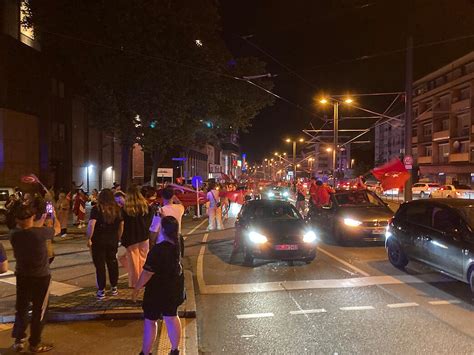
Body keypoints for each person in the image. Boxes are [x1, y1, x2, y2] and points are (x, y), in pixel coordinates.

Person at [9, 201, 60, 353]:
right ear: (32, 217)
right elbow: (56, 229)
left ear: (17, 220)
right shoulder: (41, 233)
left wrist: (43, 217)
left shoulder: (14, 235)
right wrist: (54, 215)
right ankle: (35, 343)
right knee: (39, 311)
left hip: (22, 276)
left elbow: (31, 227)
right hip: (41, 278)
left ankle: (19, 340)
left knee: (22, 308)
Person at [133, 216, 184, 355]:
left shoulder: (158, 250)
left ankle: (146, 352)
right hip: (174, 286)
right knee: (172, 316)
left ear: (163, 229)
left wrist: (137, 288)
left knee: (150, 321)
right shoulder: (179, 240)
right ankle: (175, 350)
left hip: (157, 290)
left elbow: (147, 273)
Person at [86, 189, 124, 300]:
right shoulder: (117, 209)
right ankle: (114, 287)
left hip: (99, 241)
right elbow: (121, 225)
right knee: (112, 263)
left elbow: (91, 224)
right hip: (112, 240)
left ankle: (101, 290)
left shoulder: (96, 209)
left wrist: (89, 238)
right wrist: (119, 238)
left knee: (100, 265)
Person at [121, 186, 150, 288]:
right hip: (144, 235)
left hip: (131, 236)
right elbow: (149, 221)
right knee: (143, 259)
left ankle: (135, 282)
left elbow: (123, 224)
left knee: (133, 261)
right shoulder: (145, 206)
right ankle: (143, 281)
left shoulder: (125, 208)